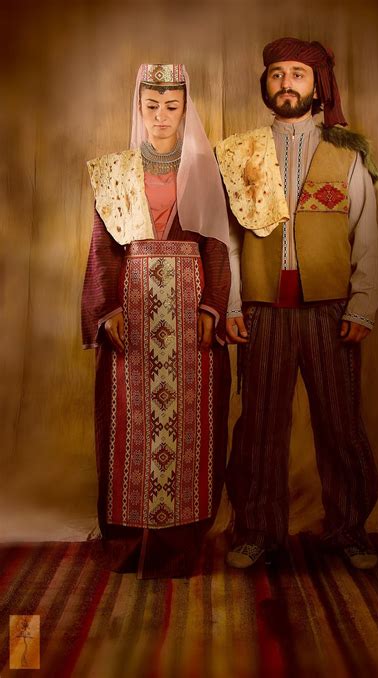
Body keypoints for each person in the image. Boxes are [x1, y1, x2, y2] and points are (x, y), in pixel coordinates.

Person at [216, 38, 378, 570]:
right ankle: (258, 530)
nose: (286, 82)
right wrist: (233, 305)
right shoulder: (241, 155)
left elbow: (368, 238)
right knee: (260, 423)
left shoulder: (348, 154)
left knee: (340, 422)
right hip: (263, 310)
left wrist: (362, 307)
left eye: (298, 75)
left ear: (318, 87)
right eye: (276, 74)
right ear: (265, 84)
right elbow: (230, 240)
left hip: (330, 311)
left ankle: (348, 529)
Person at [81, 63, 231, 578]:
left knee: (191, 426)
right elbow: (103, 249)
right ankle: (126, 543)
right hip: (134, 311)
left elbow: (217, 246)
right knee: (128, 425)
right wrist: (108, 310)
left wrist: (213, 307)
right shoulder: (115, 171)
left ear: (185, 107)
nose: (162, 116)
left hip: (190, 313)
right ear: (138, 108)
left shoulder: (206, 169)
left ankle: (180, 546)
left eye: (171, 106)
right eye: (152, 106)